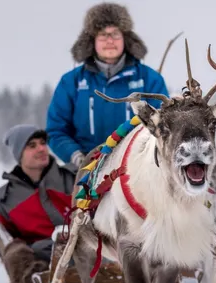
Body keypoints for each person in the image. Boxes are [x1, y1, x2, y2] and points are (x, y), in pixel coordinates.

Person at [46, 2, 170, 167]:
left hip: (136, 169)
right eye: (103, 35)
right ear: (92, 41)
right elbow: (56, 130)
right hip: (84, 171)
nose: (110, 40)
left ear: (125, 39)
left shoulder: (150, 79)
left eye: (115, 34)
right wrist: (77, 157)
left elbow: (163, 125)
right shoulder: (71, 82)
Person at [0, 124, 77, 283]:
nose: (41, 149)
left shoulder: (73, 178)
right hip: (46, 267)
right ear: (19, 153)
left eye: (43, 143)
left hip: (90, 253)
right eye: (32, 145)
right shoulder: (6, 201)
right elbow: (4, 241)